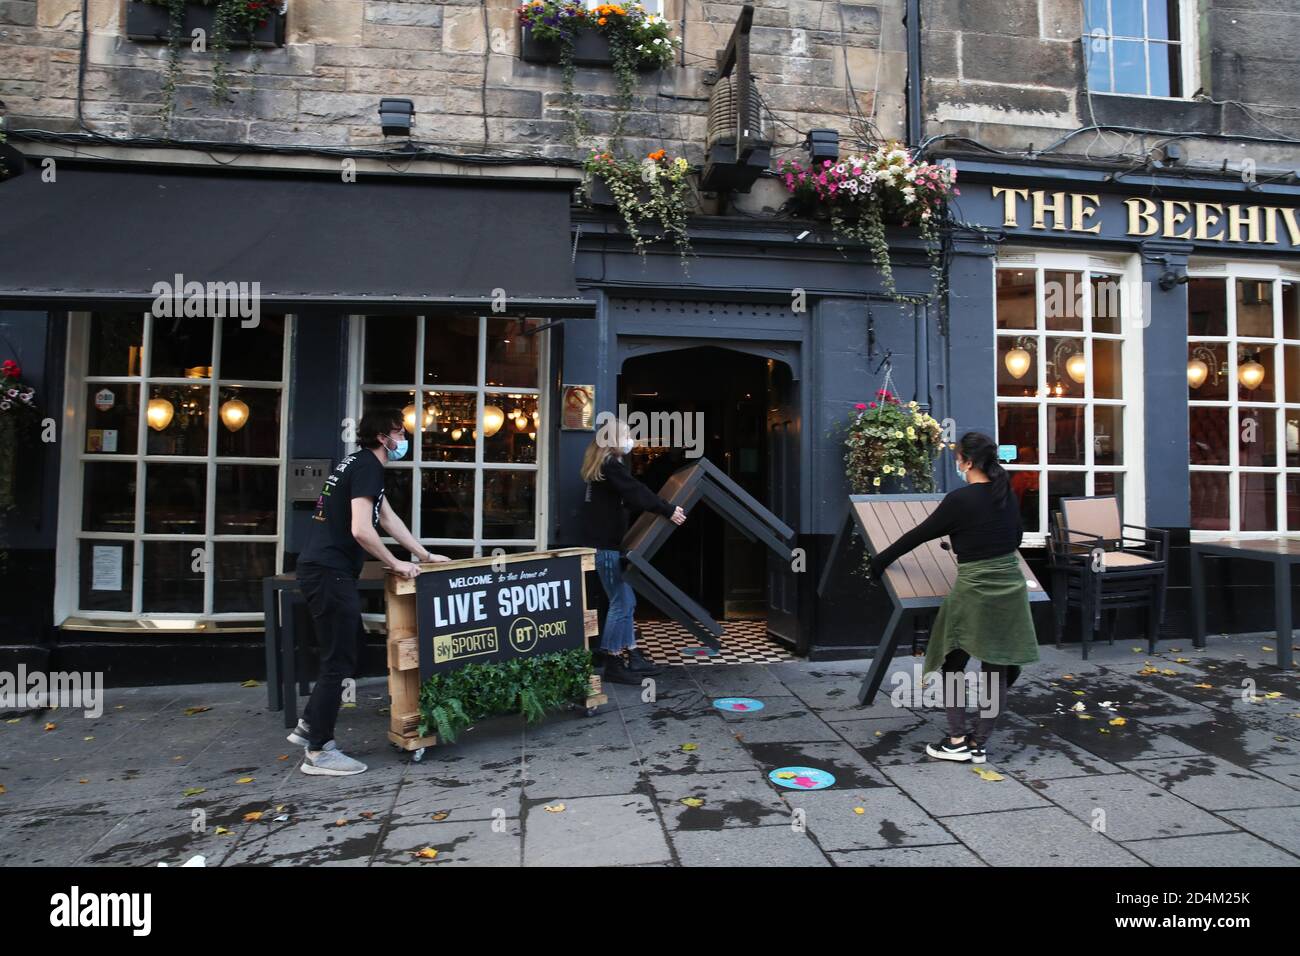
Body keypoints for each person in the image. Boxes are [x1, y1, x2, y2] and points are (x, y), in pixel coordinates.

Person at [289, 409, 449, 776]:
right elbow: (362, 529)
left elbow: (387, 518)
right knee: (340, 660)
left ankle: (311, 725)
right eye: (399, 432)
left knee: (349, 650)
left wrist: (423, 555)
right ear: (383, 437)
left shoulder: (358, 464)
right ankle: (319, 751)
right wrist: (396, 563)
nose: (403, 439)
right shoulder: (367, 467)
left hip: (327, 570)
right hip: (329, 572)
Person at [868, 431, 1038, 764]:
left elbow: (918, 535)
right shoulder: (1006, 495)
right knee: (996, 667)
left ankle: (957, 739)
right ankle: (980, 743)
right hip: (1011, 588)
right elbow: (1015, 537)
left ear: (968, 461)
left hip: (975, 589)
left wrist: (879, 561)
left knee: (952, 661)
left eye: (957, 457)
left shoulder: (960, 499)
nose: (956, 462)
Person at [578, 420, 686, 684]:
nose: (630, 440)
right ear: (614, 439)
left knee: (627, 601)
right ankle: (613, 659)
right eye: (626, 435)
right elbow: (637, 492)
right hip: (607, 548)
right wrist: (668, 509)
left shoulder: (601, 467)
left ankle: (633, 655)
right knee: (621, 602)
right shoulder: (611, 466)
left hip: (605, 546)